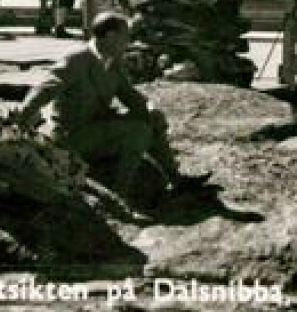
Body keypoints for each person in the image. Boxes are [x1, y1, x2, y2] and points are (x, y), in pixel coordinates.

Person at [16, 12, 208, 202]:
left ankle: (176, 180)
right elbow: (45, 88)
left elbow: (128, 94)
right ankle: (119, 195)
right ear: (110, 36)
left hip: (96, 126)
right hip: (72, 135)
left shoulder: (112, 60)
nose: (129, 41)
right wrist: (21, 117)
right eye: (126, 36)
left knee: (150, 119)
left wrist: (150, 109)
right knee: (138, 130)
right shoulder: (76, 59)